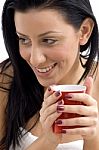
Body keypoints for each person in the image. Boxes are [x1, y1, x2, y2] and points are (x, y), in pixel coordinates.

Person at [0, 0, 99, 149]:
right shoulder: (7, 78)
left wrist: (93, 139)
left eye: (49, 40)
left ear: (84, 31)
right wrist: (48, 140)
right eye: (24, 39)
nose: (35, 59)